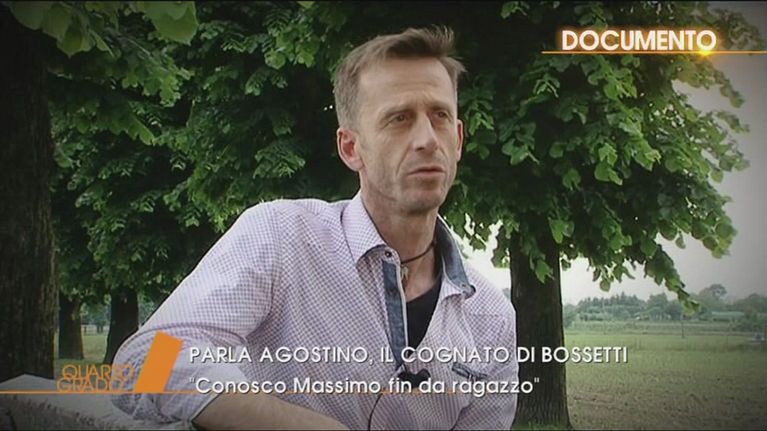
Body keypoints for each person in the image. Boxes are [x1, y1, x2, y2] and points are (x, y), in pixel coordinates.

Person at [112, 26, 518, 430]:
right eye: (399, 119)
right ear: (350, 148)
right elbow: (147, 361)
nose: (427, 139)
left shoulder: (491, 317)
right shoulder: (281, 238)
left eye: (440, 116)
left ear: (458, 139)